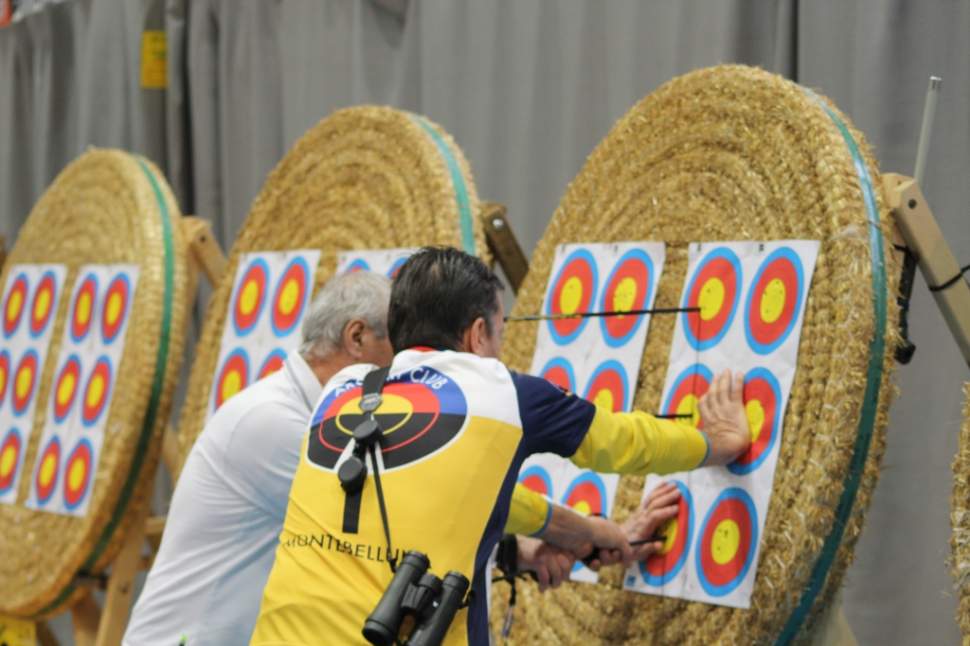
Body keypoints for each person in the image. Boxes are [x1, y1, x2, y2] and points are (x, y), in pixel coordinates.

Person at [251, 247, 750, 646]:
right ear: (476, 334)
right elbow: (621, 443)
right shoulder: (506, 394)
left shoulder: (343, 391)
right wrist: (712, 443)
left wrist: (591, 531)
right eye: (500, 331)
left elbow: (479, 496)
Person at [123, 271, 635, 645]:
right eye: (402, 344)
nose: (413, 365)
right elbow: (420, 495)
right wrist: (587, 532)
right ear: (357, 336)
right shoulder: (274, 421)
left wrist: (516, 553)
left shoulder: (313, 413)